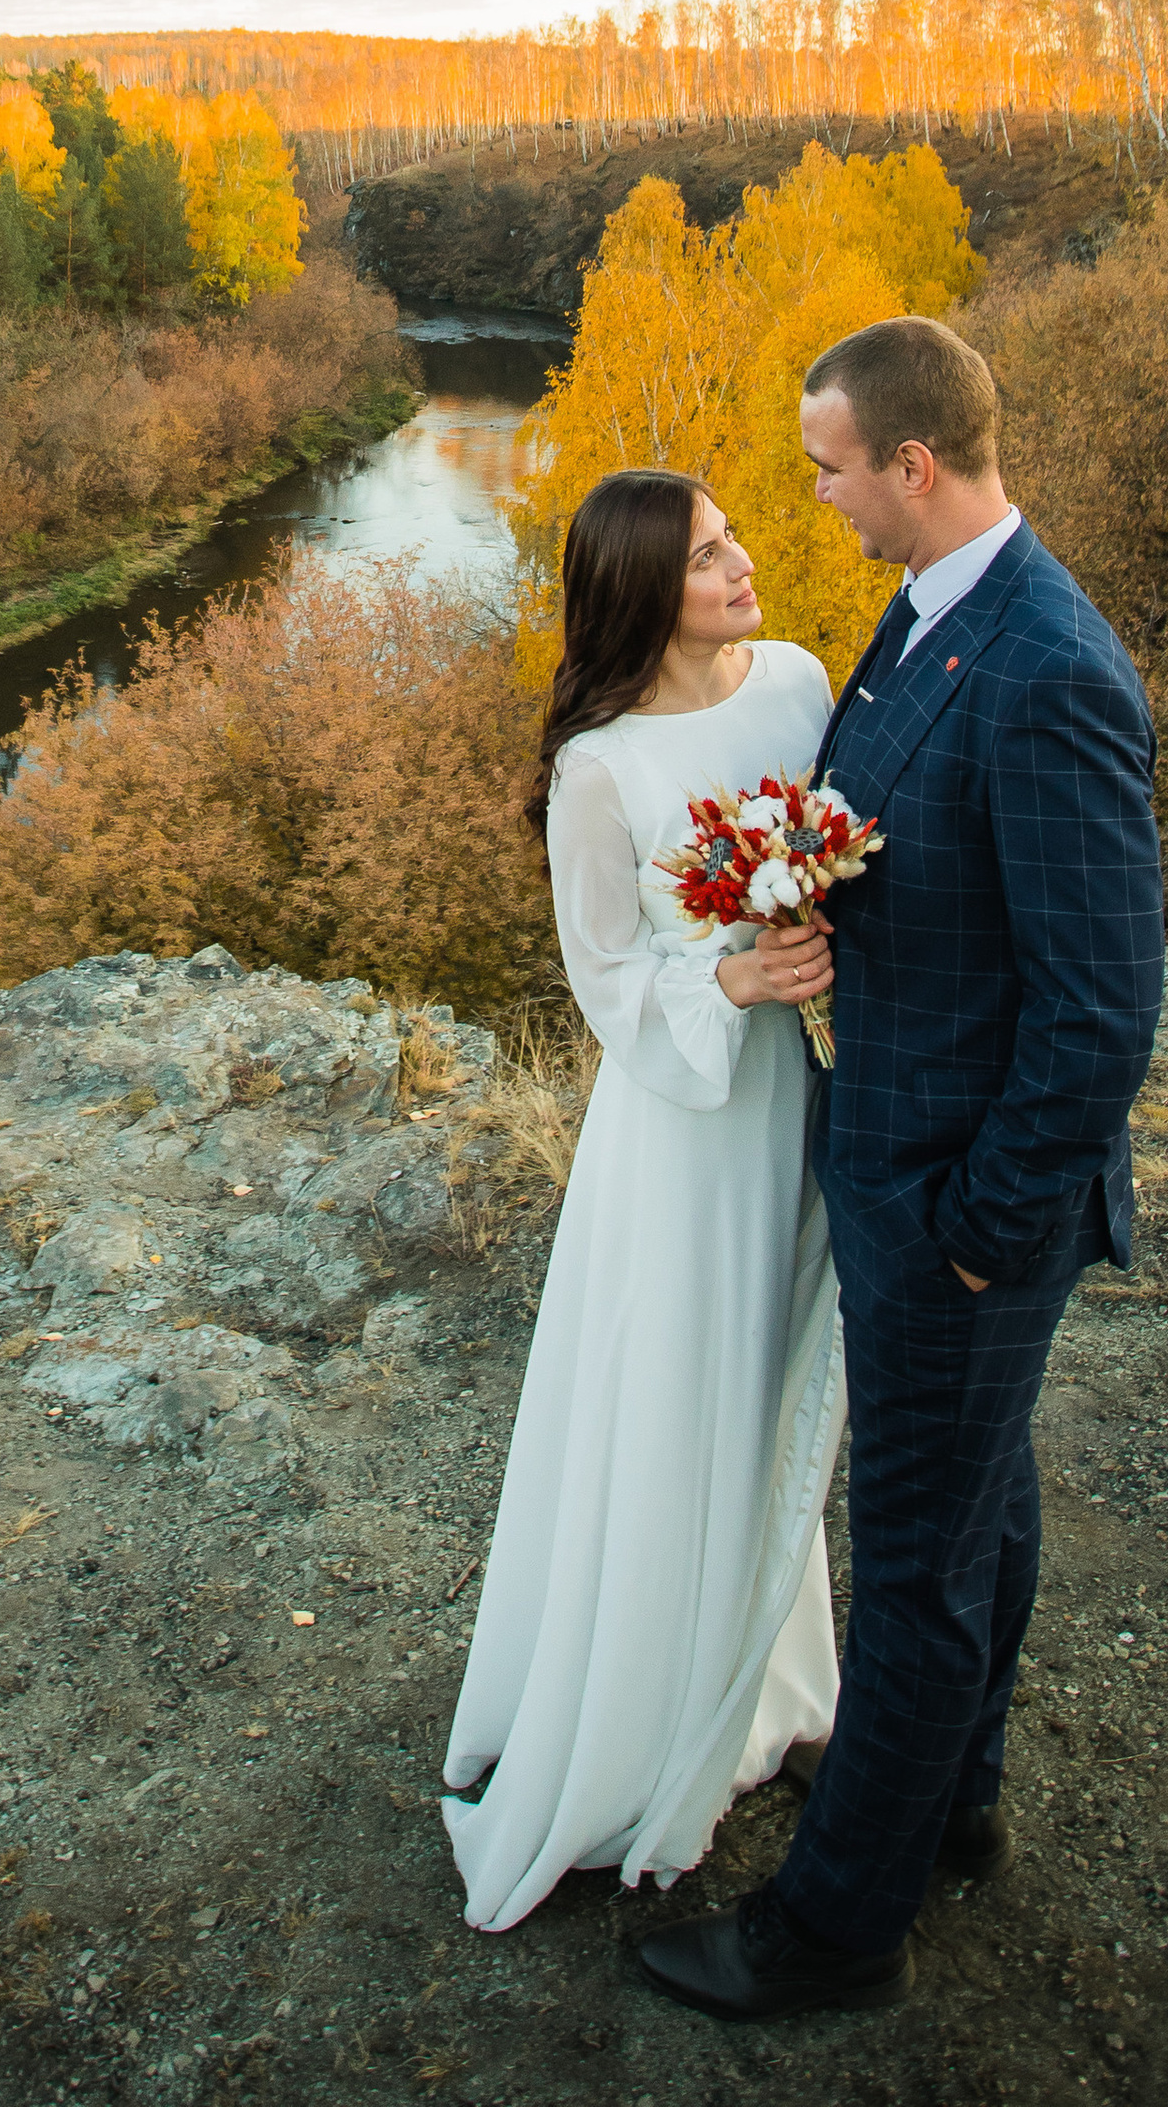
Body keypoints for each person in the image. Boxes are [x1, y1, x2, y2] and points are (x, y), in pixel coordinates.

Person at [639, 317, 1164, 2024]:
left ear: (913, 468)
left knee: (920, 1559)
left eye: (832, 467)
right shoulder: (937, 611)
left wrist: (977, 1233)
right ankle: (953, 1806)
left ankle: (833, 1933)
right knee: (979, 1507)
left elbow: (1100, 1012)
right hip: (907, 1166)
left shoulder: (1050, 665)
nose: (818, 495)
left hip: (959, 1204)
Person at [442, 468, 846, 1932]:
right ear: (639, 593)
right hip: (682, 1131)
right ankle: (636, 1725)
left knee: (771, 1378)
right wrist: (732, 974)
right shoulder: (601, 769)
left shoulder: (799, 679)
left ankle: (771, 1679)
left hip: (797, 1106)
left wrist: (827, 926)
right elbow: (604, 978)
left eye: (735, 538)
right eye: (708, 557)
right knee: (678, 1390)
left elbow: (851, 849)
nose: (743, 566)